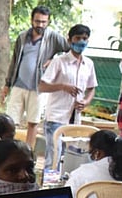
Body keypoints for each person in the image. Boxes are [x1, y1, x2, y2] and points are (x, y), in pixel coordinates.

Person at [1, 5, 69, 149]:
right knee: (10, 121)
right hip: (19, 84)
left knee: (33, 122)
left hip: (38, 87)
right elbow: (14, 61)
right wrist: (7, 84)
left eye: (44, 22)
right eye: (38, 21)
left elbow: (68, 50)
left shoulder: (53, 37)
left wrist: (54, 59)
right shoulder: (22, 37)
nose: (40, 25)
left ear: (48, 22)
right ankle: (8, 150)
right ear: (32, 21)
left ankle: (28, 153)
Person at [39, 24, 97, 171]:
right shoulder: (59, 61)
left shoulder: (88, 64)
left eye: (84, 39)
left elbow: (91, 88)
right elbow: (42, 86)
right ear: (70, 40)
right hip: (56, 117)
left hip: (75, 119)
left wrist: (86, 101)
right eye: (78, 38)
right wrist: (63, 86)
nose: (81, 42)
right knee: (53, 157)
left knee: (70, 158)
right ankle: (49, 189)